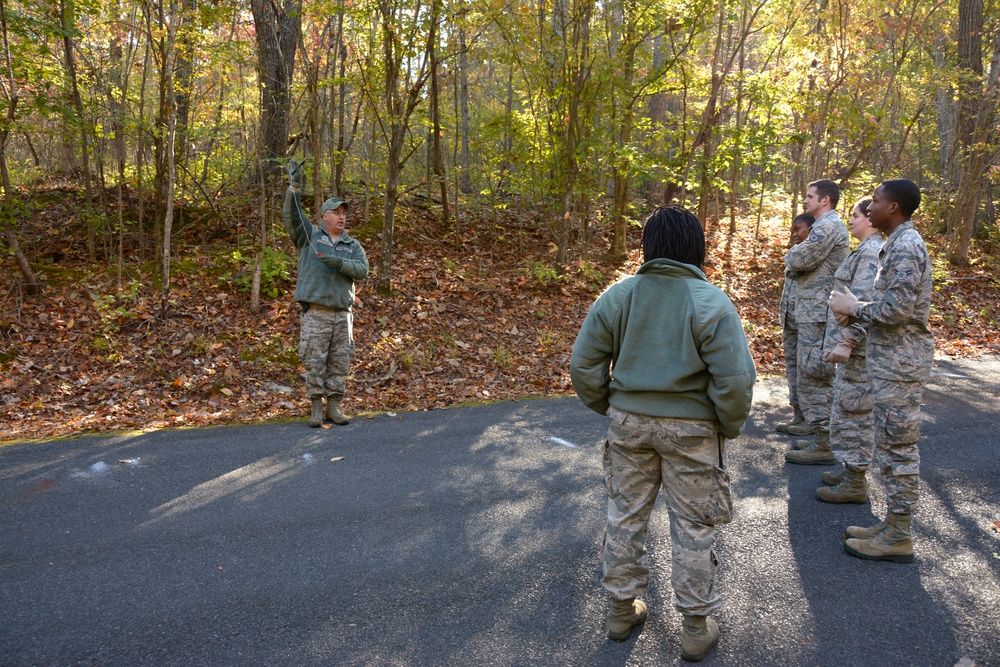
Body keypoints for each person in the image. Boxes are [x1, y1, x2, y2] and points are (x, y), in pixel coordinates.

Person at [570, 205, 756, 661]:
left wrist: (610, 406)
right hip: (693, 431)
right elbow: (735, 381)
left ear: (648, 247)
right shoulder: (710, 301)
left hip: (629, 424)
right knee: (693, 524)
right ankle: (695, 627)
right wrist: (725, 428)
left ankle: (620, 611)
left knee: (625, 514)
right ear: (697, 247)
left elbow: (583, 364)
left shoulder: (619, 295)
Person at [829, 179, 932, 563]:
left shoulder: (905, 246)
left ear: (894, 207)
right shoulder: (896, 243)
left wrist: (854, 306)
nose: (870, 207)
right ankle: (891, 525)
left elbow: (895, 311)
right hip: (891, 363)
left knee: (899, 450)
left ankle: (900, 535)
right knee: (890, 447)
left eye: (876, 201)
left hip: (901, 365)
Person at [283, 159, 369, 427]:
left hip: (343, 314)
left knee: (340, 362)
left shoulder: (351, 244)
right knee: (314, 360)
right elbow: (292, 216)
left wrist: (340, 263)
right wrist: (294, 186)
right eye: (336, 212)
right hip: (317, 312)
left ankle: (334, 406)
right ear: (325, 216)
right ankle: (316, 409)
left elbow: (362, 269)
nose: (342, 216)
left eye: (344, 212)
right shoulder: (309, 236)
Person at [815, 197, 882, 502]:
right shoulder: (864, 250)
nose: (851, 221)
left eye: (855, 216)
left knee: (857, 413)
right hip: (854, 349)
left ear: (869, 218)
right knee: (847, 409)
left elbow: (864, 301)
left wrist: (847, 342)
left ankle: (856, 481)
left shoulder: (871, 253)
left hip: (860, 349)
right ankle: (850, 471)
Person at [783, 179, 850, 465]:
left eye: (810, 196)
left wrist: (791, 254)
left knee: (816, 375)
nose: (805, 201)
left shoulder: (828, 226)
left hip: (819, 313)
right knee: (802, 369)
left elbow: (800, 258)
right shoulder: (818, 225)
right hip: (805, 311)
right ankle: (810, 424)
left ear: (825, 200)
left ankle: (825, 443)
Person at [776, 213, 815, 435]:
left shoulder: (814, 253)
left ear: (812, 230)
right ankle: (798, 415)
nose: (794, 235)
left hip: (807, 319)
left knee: (807, 370)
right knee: (792, 369)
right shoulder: (796, 252)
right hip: (790, 320)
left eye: (798, 230)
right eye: (792, 230)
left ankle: (813, 420)